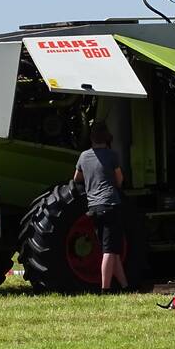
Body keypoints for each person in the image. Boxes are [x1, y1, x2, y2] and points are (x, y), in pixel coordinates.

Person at [74, 121, 128, 293]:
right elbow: (119, 180)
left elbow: (77, 178)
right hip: (111, 204)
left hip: (94, 207)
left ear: (91, 138)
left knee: (111, 249)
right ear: (107, 138)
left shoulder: (83, 156)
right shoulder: (112, 156)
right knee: (109, 251)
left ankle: (125, 286)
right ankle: (105, 289)